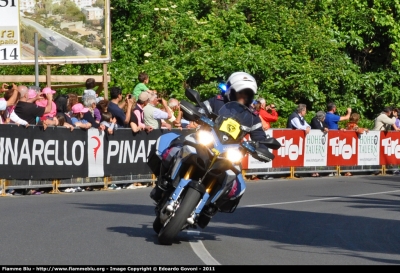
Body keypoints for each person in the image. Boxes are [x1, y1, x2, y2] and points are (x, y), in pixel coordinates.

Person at [151, 71, 268, 208]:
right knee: (173, 146)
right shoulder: (217, 101)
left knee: (237, 186)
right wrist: (196, 113)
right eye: (241, 93)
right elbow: (200, 109)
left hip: (229, 152)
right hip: (205, 141)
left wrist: (262, 148)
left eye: (247, 94)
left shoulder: (252, 117)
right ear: (231, 90)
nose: (244, 97)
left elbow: (260, 137)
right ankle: (164, 180)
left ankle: (210, 207)